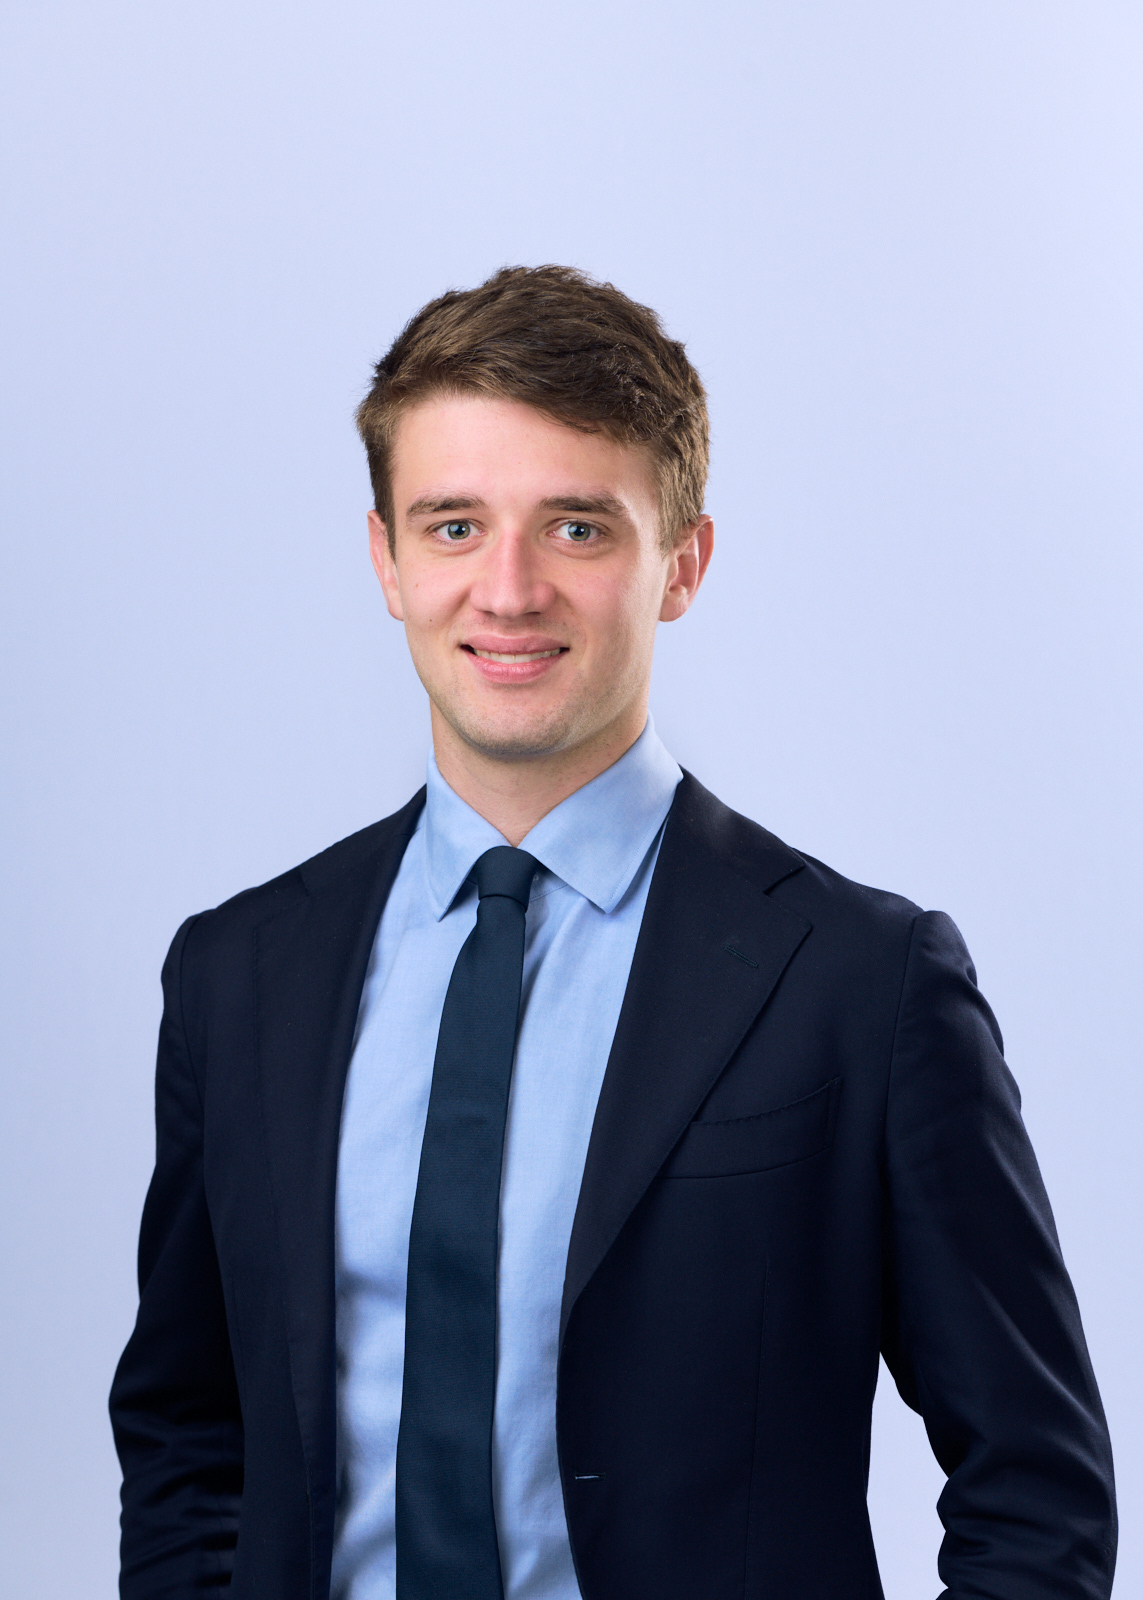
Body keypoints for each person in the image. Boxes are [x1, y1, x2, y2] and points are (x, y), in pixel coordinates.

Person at [109, 265, 1116, 1600]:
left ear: (681, 564)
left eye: (577, 528)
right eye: (454, 526)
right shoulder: (239, 975)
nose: (508, 590)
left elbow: (1035, 1491)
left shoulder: (865, 985)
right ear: (387, 561)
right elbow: (189, 1443)